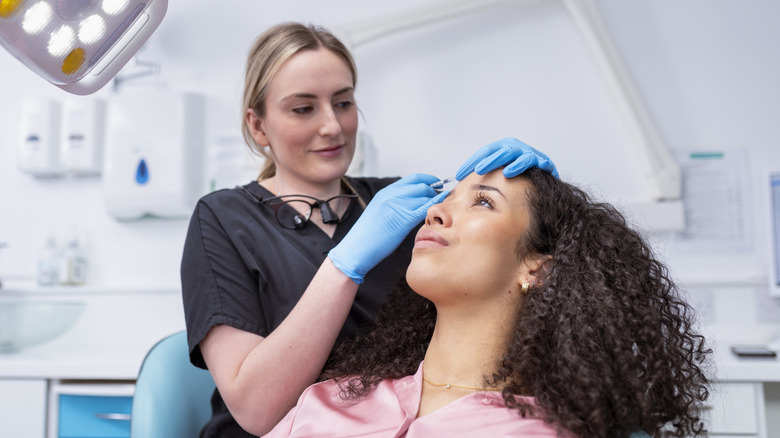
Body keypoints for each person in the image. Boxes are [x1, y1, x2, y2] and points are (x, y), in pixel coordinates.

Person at [180, 21, 558, 438]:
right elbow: (256, 410)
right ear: (257, 125)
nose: (332, 126)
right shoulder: (223, 219)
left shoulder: (403, 205)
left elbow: (505, 277)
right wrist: (345, 263)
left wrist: (542, 203)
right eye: (303, 108)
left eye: (342, 103)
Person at [263, 166, 712, 438]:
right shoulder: (330, 397)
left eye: (482, 202)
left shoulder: (544, 430)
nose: (434, 213)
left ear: (538, 268)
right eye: (444, 198)